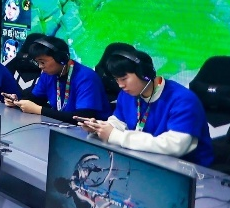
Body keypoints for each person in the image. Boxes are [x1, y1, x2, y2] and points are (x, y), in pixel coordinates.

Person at [77, 46, 213, 166]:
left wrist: (116, 136)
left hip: (190, 171)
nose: (120, 85)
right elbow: (119, 122)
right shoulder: (127, 93)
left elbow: (175, 146)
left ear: (145, 74)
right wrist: (100, 128)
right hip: (145, 162)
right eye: (117, 80)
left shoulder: (183, 100)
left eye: (124, 79)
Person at [3, 36, 111, 123]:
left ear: (61, 59)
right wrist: (17, 101)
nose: (40, 66)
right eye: (38, 62)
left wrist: (39, 110)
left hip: (91, 134)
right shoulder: (48, 74)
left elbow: (83, 117)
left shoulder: (86, 78)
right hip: (62, 126)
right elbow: (36, 99)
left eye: (43, 62)